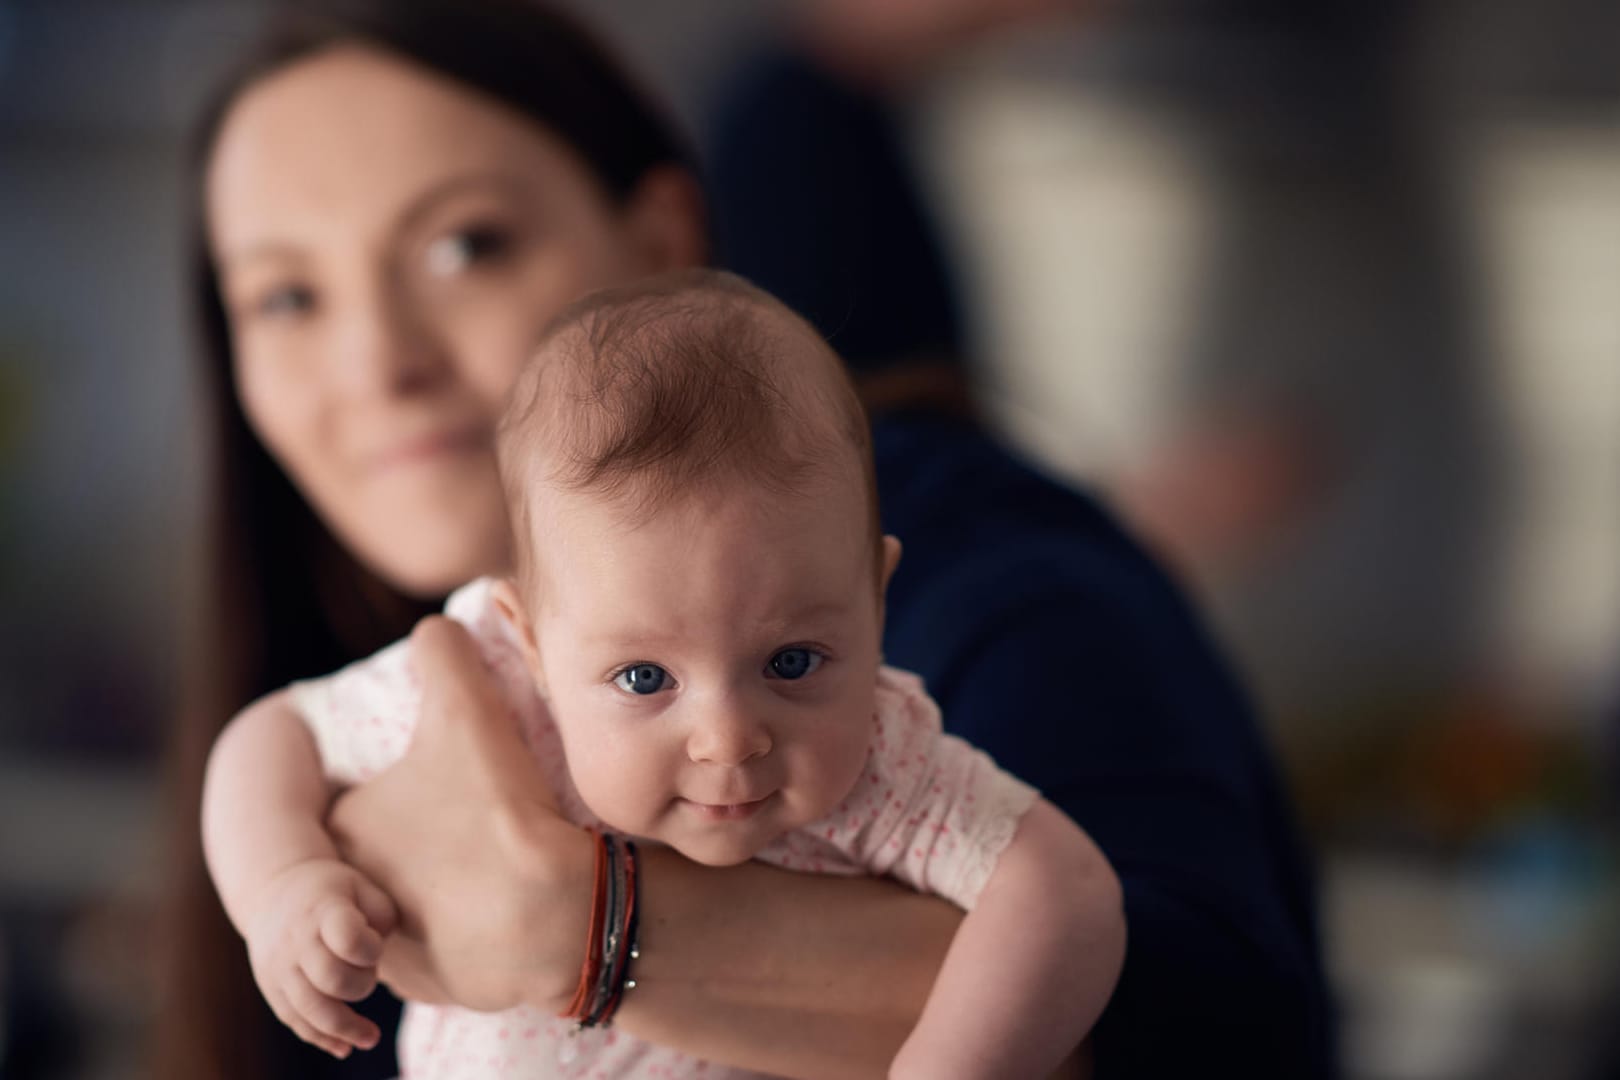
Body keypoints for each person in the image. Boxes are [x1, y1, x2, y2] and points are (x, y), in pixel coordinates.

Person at [156, 1, 1332, 1077]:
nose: (380, 364)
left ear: (665, 236)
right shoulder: (404, 674)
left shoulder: (982, 580)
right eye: (287, 297)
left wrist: (579, 925)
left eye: (465, 246)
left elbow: (1212, 1023)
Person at [201, 269, 1126, 1077]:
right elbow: (270, 737)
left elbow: (1063, 892)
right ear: (529, 637)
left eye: (792, 662)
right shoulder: (496, 688)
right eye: (645, 680)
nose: (729, 737)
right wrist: (282, 885)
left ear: (875, 604)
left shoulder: (882, 762)